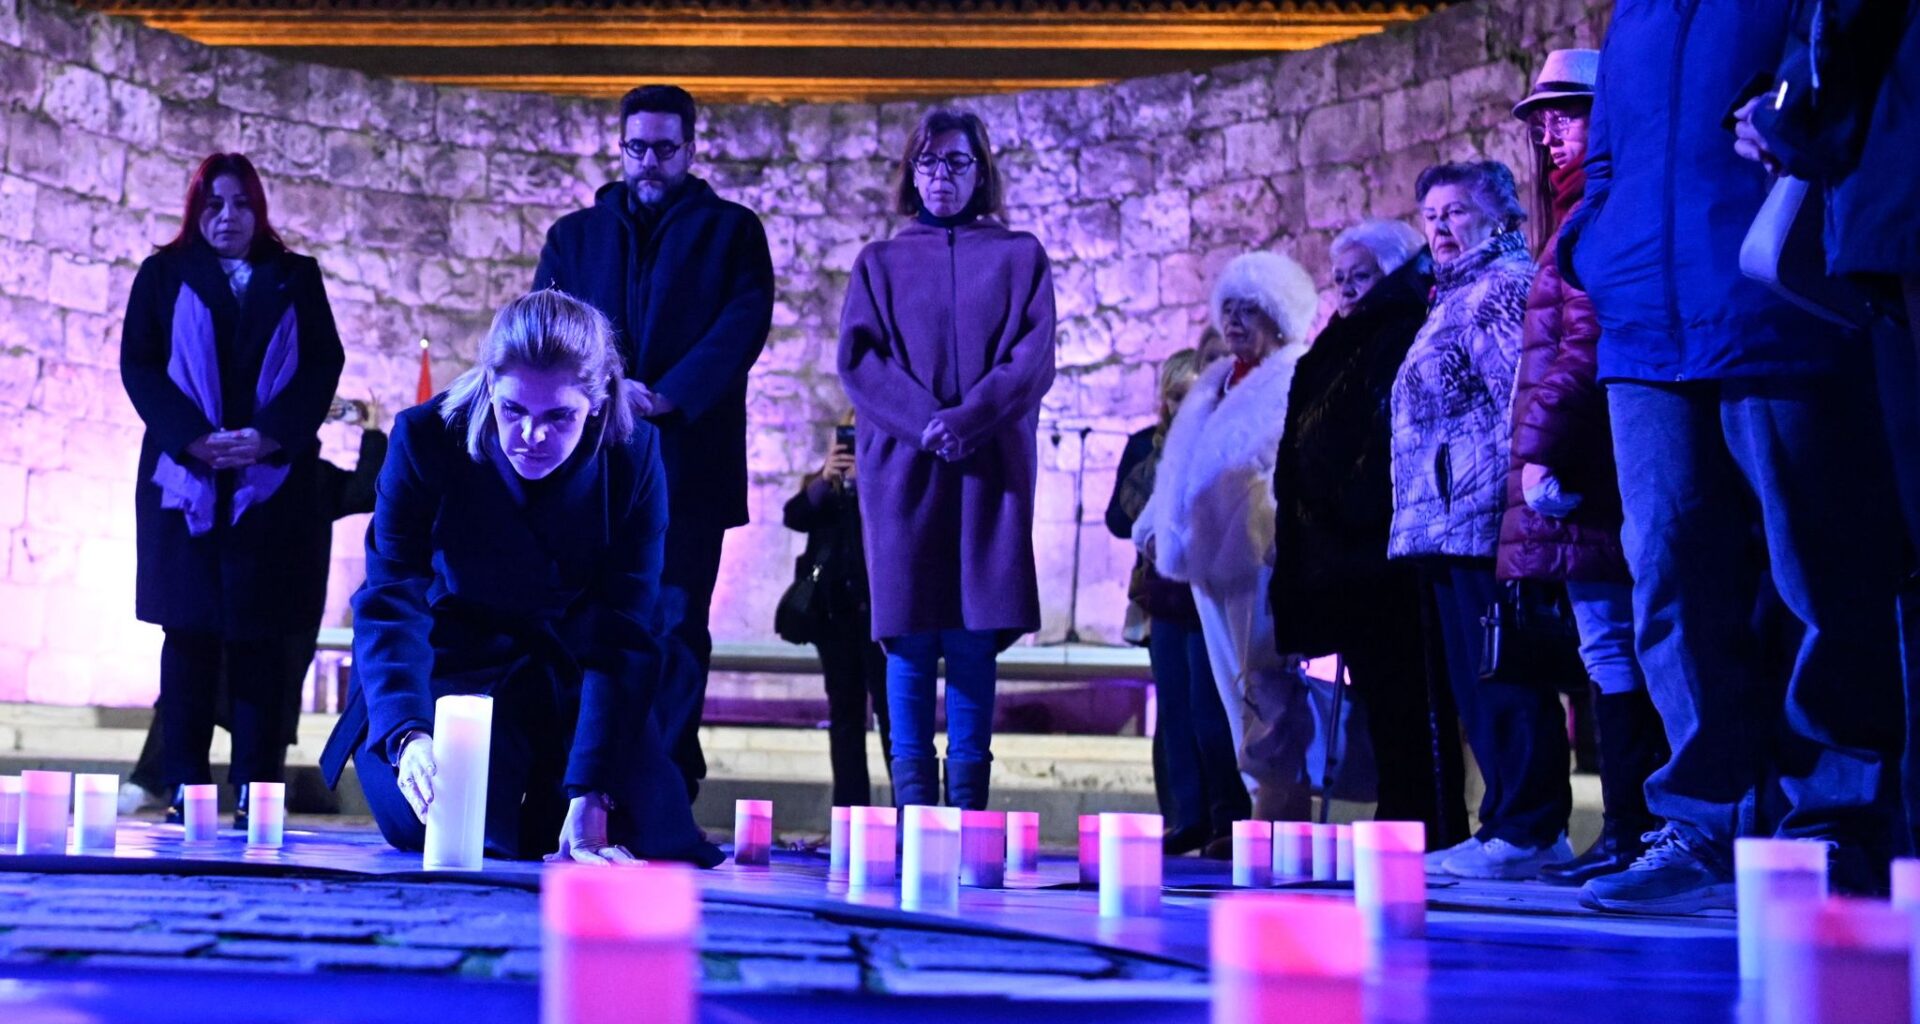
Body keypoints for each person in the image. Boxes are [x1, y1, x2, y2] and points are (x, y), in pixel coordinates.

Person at [1565, 0, 1906, 912]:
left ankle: (1835, 825)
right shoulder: (1631, 15)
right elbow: (1606, 152)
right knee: (1670, 579)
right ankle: (1700, 824)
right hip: (1642, 328)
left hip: (1774, 311)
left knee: (1821, 577)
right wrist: (1595, 246)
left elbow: (1837, 98)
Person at [319, 290, 721, 866]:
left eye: (559, 416)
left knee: (642, 831)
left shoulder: (633, 456)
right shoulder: (426, 439)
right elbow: (391, 598)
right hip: (444, 665)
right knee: (444, 823)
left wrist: (592, 788)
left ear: (598, 402)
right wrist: (408, 734)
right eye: (513, 411)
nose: (532, 437)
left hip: (569, 671)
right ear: (489, 387)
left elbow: (624, 627)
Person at [534, 84, 775, 800]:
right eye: (636, 148)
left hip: (687, 464)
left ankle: (664, 787)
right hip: (591, 463)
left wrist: (664, 394)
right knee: (582, 620)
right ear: (621, 147)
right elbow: (550, 324)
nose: (649, 163)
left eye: (665, 149)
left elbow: (743, 322)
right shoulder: (573, 237)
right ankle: (580, 782)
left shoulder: (733, 230)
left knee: (674, 625)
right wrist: (607, 388)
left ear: (692, 150)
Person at [836, 108, 1057, 812]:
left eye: (957, 164)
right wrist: (925, 424)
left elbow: (1032, 356)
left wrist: (968, 420)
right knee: (907, 636)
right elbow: (859, 361)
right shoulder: (880, 262)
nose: (941, 178)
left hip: (989, 467)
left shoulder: (1021, 256)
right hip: (904, 465)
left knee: (970, 636)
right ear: (911, 174)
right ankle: (912, 811)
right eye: (928, 164)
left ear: (981, 171)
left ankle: (965, 812)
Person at [119, 152, 345, 826]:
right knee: (186, 639)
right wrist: (192, 436)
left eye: (241, 204)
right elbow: (140, 365)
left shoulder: (294, 277)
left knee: (261, 643)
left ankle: (258, 791)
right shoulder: (163, 275)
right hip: (183, 483)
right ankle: (186, 790)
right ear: (196, 210)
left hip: (271, 486)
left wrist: (270, 436)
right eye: (215, 205)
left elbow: (320, 366)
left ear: (259, 210)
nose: (228, 217)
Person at [1493, 51, 1667, 886]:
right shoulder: (1569, 217)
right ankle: (1629, 828)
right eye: (1541, 122)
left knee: (1623, 645)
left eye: (1568, 114)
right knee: (1608, 648)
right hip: (1583, 461)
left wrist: (1542, 447)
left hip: (1590, 464)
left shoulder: (1598, 215)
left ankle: (1640, 826)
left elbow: (1580, 341)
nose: (1552, 135)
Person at [1390, 161, 1575, 880]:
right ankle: (1509, 820)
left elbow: (1516, 396)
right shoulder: (1454, 295)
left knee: (1505, 670)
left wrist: (1517, 503)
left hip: (1479, 511)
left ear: (1499, 218)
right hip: (1446, 515)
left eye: (1455, 211)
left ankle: (1527, 828)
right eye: (1429, 214)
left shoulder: (1498, 291)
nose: (1438, 226)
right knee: (1481, 675)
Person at [1270, 219, 1469, 849]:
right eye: (1341, 278)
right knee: (1382, 696)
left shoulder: (1400, 327)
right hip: (1341, 550)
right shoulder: (1344, 338)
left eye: (1362, 275)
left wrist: (1348, 504)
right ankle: (1404, 813)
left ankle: (1427, 820)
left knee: (1408, 691)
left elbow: (1382, 431)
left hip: (1380, 546)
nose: (1348, 288)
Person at [125, 398, 387, 815]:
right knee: (192, 687)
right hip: (228, 609)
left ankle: (258, 793)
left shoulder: (310, 478)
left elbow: (366, 489)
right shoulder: (240, 478)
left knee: (268, 702)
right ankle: (161, 783)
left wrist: (372, 432)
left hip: (282, 618)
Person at [1135, 251, 1320, 822]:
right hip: (1206, 559)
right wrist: (1154, 525)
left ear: (1277, 315)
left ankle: (1277, 805)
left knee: (1264, 681)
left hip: (1257, 552)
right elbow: (1182, 466)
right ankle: (1251, 800)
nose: (1235, 322)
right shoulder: (1214, 381)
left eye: (1250, 310)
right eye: (1229, 310)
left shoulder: (1294, 376)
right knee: (1227, 687)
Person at [1109, 343, 1249, 856]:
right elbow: (1121, 517)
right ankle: (1184, 815)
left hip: (1207, 590)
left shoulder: (1222, 438)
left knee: (1210, 711)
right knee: (1174, 711)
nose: (1181, 405)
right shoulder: (1147, 446)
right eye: (1174, 397)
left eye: (1192, 396)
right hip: (1163, 595)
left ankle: (1226, 817)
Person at [782, 411, 892, 808]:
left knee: (890, 714)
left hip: (881, 617)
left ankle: (907, 811)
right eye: (846, 434)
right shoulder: (824, 484)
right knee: (844, 716)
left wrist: (865, 482)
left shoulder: (886, 481)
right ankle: (851, 815)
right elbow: (794, 516)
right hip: (834, 617)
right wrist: (826, 479)